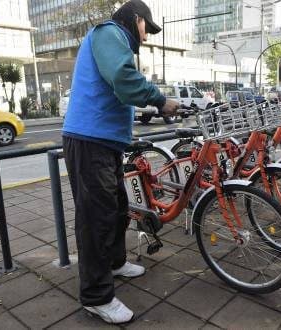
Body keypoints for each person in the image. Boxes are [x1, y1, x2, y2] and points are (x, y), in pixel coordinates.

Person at [62, 0, 180, 324]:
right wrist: (159, 100)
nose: (146, 37)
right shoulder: (108, 33)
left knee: (116, 209)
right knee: (96, 219)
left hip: (104, 143)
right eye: (147, 29)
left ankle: (114, 263)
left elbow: (120, 90)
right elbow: (122, 78)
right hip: (89, 141)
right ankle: (96, 296)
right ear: (136, 19)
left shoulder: (115, 42)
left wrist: (150, 106)